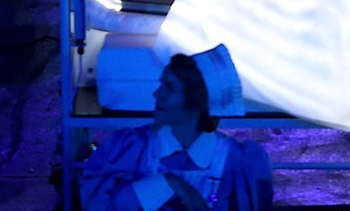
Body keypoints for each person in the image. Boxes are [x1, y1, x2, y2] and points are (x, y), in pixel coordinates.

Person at [81, 45, 274, 211]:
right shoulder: (130, 147)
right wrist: (168, 183)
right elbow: (98, 206)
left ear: (196, 103)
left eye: (169, 88)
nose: (157, 94)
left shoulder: (236, 161)